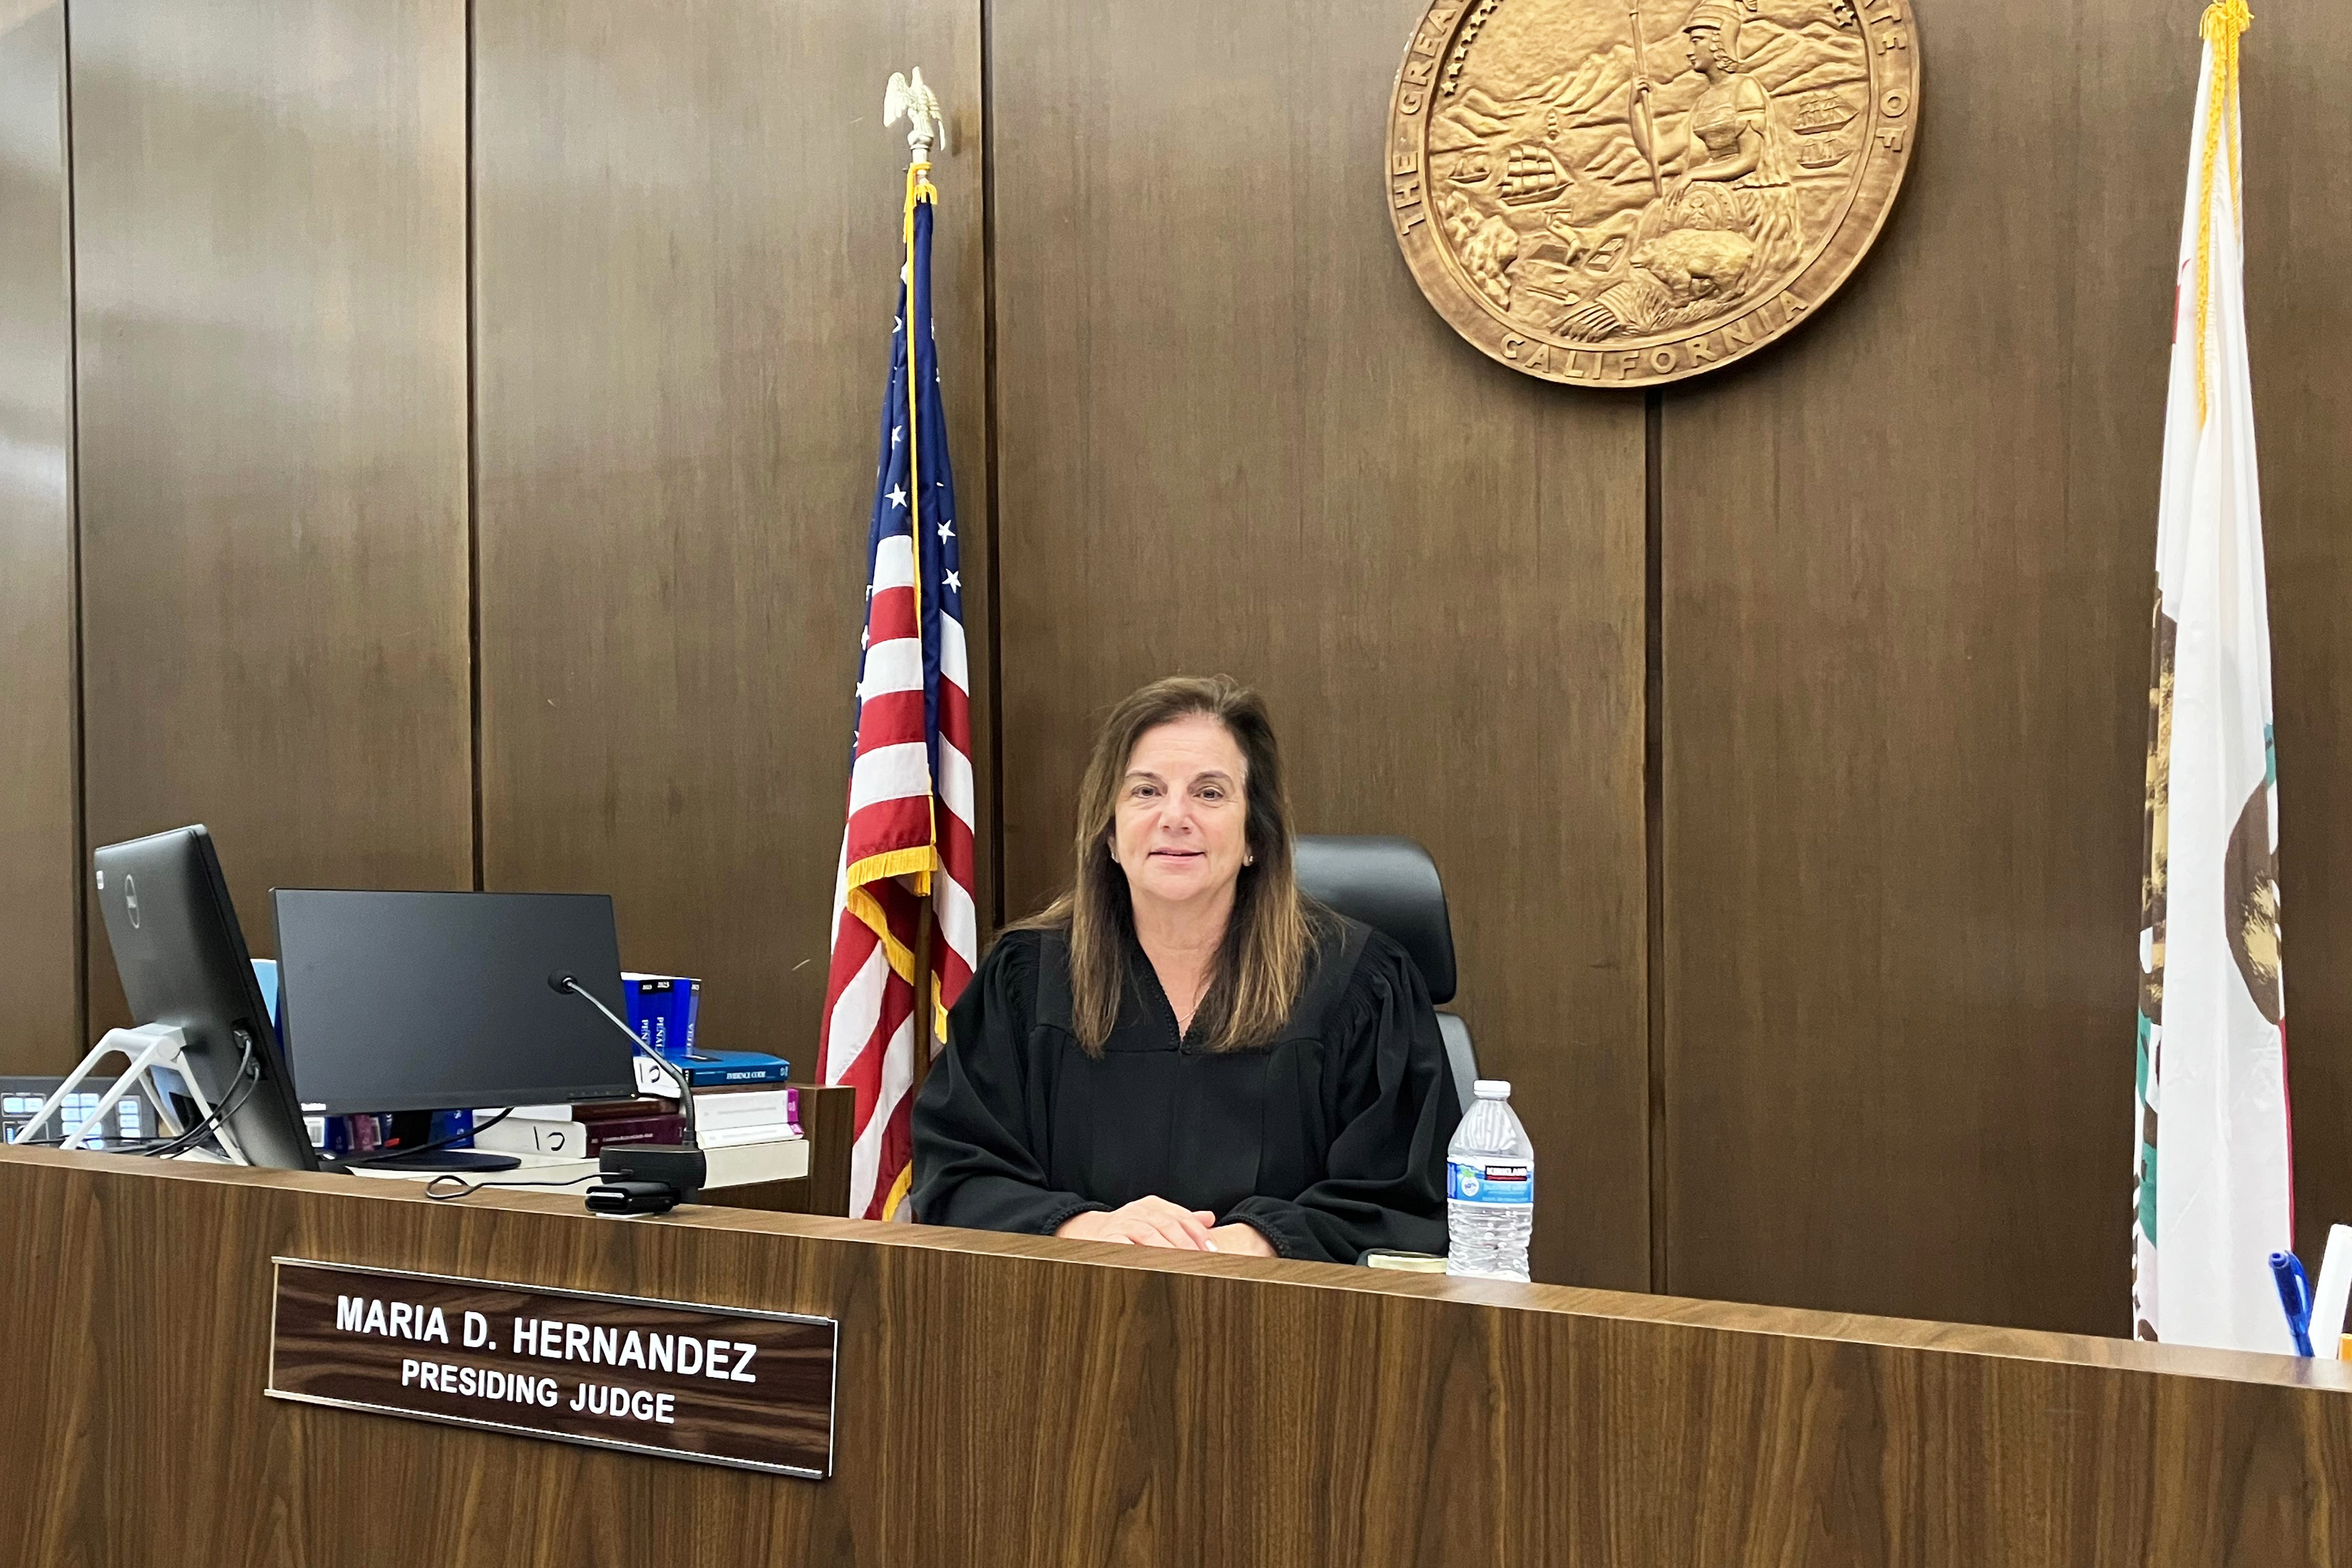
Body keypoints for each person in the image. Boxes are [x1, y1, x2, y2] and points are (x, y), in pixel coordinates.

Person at [910, 676, 1461, 1263]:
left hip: (1293, 1328)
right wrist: (1084, 1228)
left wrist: (1249, 1242)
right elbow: (957, 1175)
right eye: (1146, 791)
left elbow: (1410, 1200)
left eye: (1210, 793)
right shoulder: (1026, 982)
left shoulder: (1358, 985)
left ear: (1256, 835)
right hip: (1073, 1326)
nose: (1176, 817)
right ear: (1110, 835)